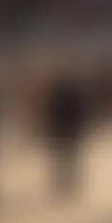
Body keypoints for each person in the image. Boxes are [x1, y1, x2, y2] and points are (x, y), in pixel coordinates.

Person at [42, 67, 89, 199]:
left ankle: (65, 183)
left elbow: (51, 114)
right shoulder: (73, 93)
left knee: (63, 159)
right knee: (68, 159)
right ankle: (68, 183)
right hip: (69, 131)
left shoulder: (57, 94)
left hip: (63, 131)